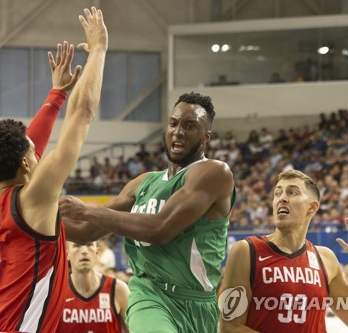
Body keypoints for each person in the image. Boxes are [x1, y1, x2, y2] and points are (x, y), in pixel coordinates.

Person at [0, 7, 107, 333]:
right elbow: (82, 114)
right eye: (34, 153)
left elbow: (26, 149)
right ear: (27, 163)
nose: (38, 151)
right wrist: (98, 50)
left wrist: (56, 95)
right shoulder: (32, 199)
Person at [60, 92, 236, 332]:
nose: (178, 131)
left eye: (189, 126)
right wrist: (18, 212)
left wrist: (87, 211)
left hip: (199, 304)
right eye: (173, 123)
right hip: (149, 294)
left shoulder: (214, 173)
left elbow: (160, 229)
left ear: (205, 137)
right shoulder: (141, 183)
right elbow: (83, 232)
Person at [219, 170, 348, 332]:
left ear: (312, 207)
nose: (282, 198)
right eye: (277, 193)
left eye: (292, 192)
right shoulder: (246, 250)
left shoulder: (325, 258)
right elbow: (229, 327)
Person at [57, 241, 129, 332]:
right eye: (77, 245)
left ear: (97, 253)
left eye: (89, 245)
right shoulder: (55, 292)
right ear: (67, 254)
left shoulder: (118, 289)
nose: (84, 251)